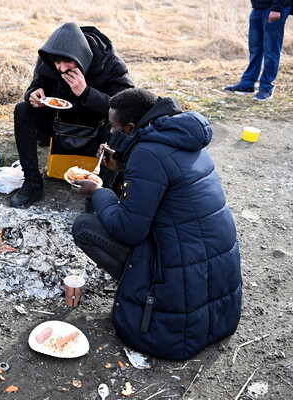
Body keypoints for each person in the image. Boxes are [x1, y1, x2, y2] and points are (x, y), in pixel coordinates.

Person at [70, 88, 242, 360]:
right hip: (210, 266)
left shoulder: (147, 154)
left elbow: (128, 228)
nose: (114, 135)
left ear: (130, 127)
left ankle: (139, 287)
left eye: (117, 130)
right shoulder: (181, 135)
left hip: (181, 278)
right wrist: (122, 163)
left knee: (84, 226)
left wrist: (99, 193)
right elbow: (162, 181)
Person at [9, 22, 134, 208]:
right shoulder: (49, 62)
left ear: (81, 56)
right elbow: (37, 84)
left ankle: (100, 193)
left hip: (97, 125)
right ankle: (33, 183)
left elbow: (126, 107)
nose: (61, 68)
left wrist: (85, 92)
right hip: (59, 119)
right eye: (57, 62)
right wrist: (34, 94)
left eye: (67, 61)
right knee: (22, 109)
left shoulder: (110, 64)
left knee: (119, 129)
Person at [224, 0, 292, 101]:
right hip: (258, 6)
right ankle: (247, 84)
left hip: (275, 7)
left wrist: (277, 8)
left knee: (271, 49)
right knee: (255, 48)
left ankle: (266, 88)